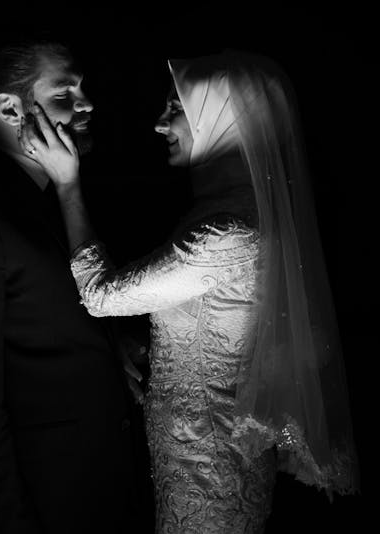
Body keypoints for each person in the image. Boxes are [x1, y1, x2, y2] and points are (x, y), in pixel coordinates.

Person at [20, 49, 359, 533]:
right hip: (200, 459)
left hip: (208, 473)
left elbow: (100, 296)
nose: (160, 125)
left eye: (176, 109)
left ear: (225, 119)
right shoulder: (232, 212)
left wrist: (67, 184)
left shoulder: (227, 233)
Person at [0, 41, 145, 534]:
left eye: (82, 90)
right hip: (46, 501)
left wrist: (110, 348)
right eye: (65, 92)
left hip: (99, 488)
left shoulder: (54, 198)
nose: (87, 104)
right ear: (8, 108)